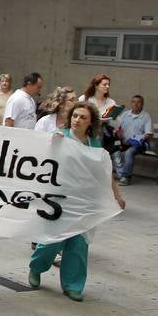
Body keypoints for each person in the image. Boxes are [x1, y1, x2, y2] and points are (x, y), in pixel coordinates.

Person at [29, 102, 126, 300]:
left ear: (90, 123)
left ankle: (73, 284)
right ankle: (37, 267)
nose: (77, 120)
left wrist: (117, 195)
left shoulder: (95, 144)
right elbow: (41, 157)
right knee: (51, 241)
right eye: (75, 116)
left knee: (78, 245)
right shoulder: (60, 136)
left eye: (83, 117)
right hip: (60, 200)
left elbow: (106, 172)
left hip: (85, 201)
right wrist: (51, 142)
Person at [113, 95, 154, 185]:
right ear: (131, 103)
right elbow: (118, 128)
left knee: (129, 152)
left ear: (142, 104)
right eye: (133, 102)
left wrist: (134, 140)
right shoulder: (125, 114)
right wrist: (120, 136)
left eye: (138, 102)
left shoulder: (146, 116)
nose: (135, 104)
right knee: (113, 149)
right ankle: (120, 174)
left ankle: (126, 177)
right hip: (123, 142)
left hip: (138, 144)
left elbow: (149, 134)